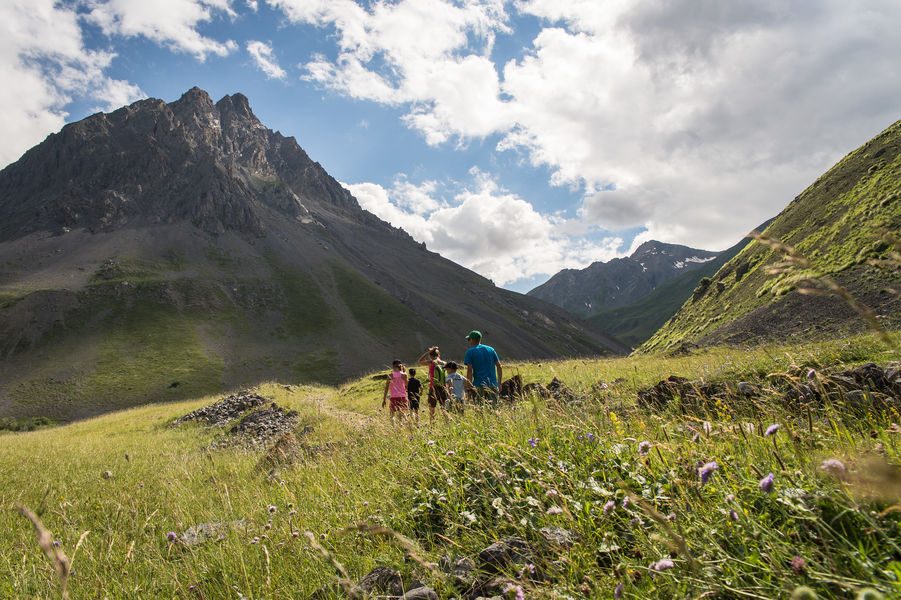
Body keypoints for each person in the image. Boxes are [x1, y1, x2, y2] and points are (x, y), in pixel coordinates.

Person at [463, 330, 502, 405]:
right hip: (493, 385)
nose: (469, 342)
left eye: (469, 339)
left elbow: (469, 370)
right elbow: (499, 366)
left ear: (472, 340)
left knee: (480, 410)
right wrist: (499, 383)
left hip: (479, 385)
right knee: (493, 409)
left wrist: (469, 387)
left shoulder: (470, 352)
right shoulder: (491, 349)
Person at [417, 346, 448, 424]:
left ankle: (432, 424)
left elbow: (420, 361)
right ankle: (447, 422)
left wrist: (427, 353)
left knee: (432, 408)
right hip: (443, 387)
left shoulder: (431, 362)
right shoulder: (444, 363)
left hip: (433, 387)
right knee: (444, 407)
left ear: (430, 355)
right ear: (439, 355)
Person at [381, 360, 408, 424]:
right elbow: (407, 386)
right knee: (402, 414)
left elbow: (386, 388)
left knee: (392, 414)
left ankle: (394, 427)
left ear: (393, 367)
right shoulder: (404, 375)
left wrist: (384, 399)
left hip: (393, 397)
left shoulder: (390, 376)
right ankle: (402, 425)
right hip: (402, 396)